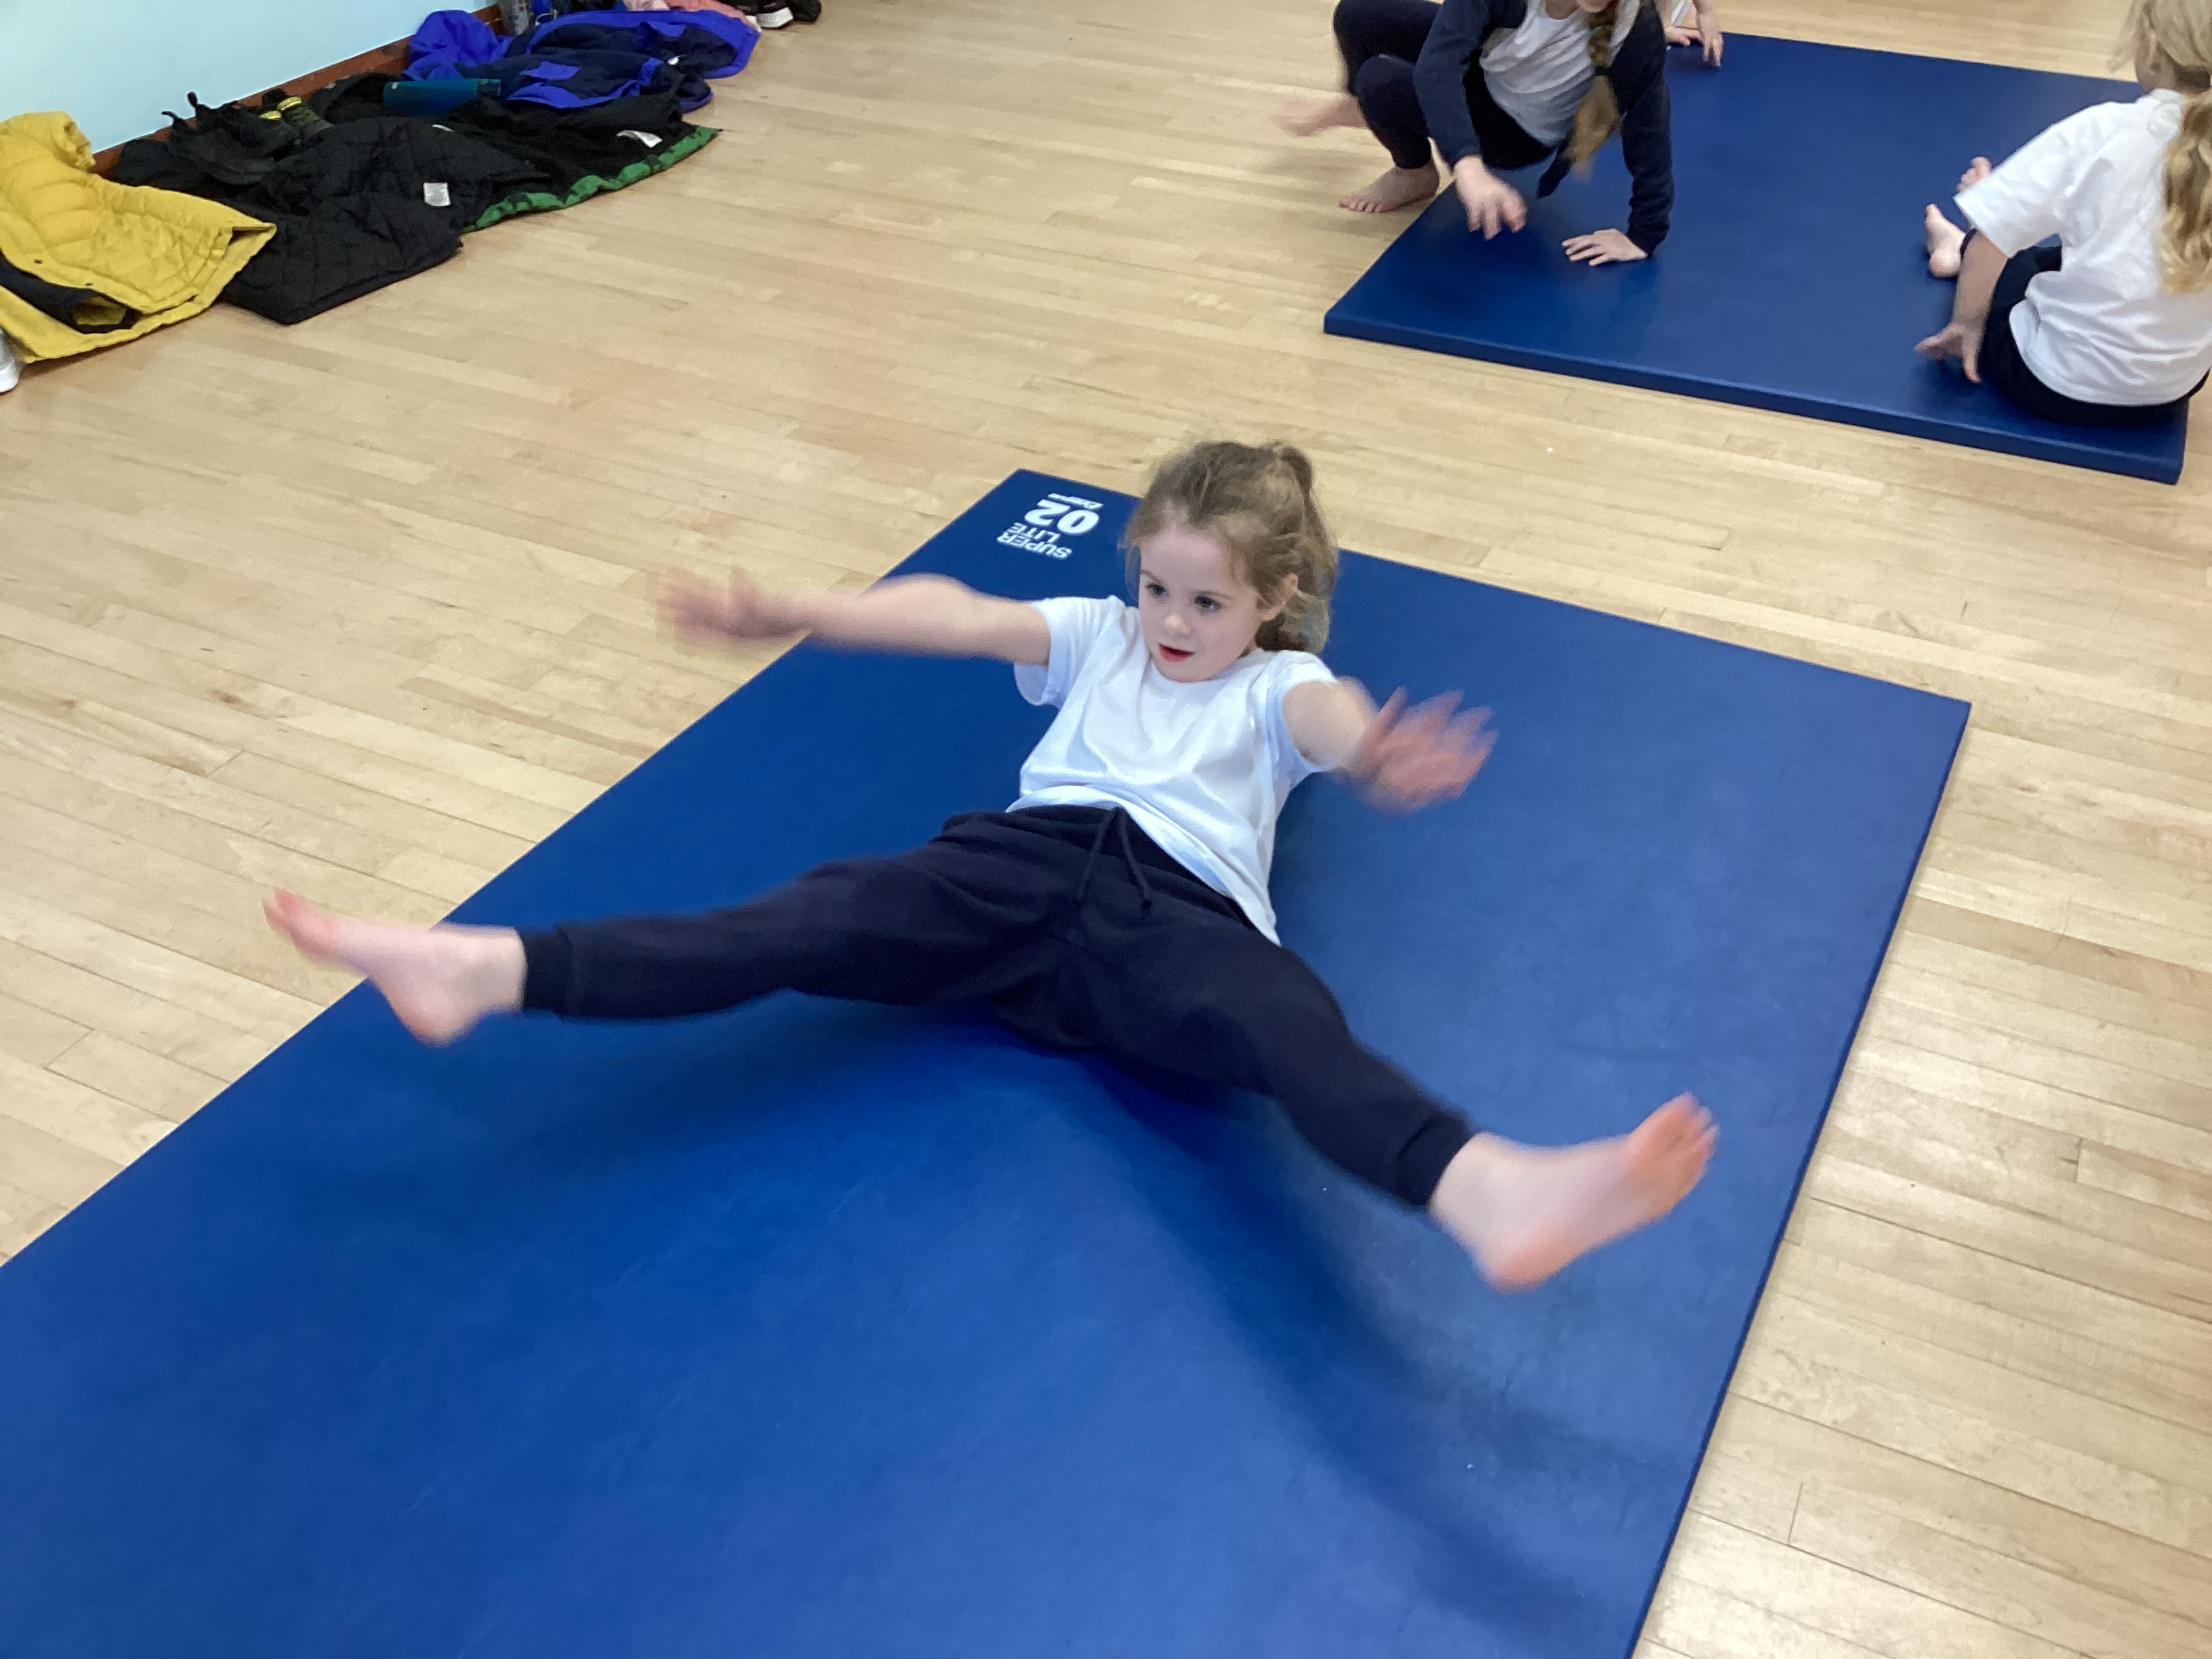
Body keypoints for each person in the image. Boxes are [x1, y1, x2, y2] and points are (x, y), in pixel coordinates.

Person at [266, 441, 1716, 1294]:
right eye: (1155, 586)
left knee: (1290, 1025)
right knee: (803, 919)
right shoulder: (1097, 634)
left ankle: (1485, 1189)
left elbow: (1334, 727)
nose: (1170, 622)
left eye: (1206, 603)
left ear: (1272, 601)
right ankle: (483, 968)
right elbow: (954, 614)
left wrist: (1378, 759)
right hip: (1010, 872)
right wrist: (795, 608)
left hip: (1172, 916)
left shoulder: (1280, 684)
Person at [1918, 0, 2212, 424]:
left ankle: (1959, 243)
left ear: (2150, 47)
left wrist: (1966, 326)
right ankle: (1979, 223)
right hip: (2171, 390)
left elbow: (1994, 241)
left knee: (2012, 258)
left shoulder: (2103, 131)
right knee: (2125, 248)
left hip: (2054, 385)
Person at [1281, 0, 1687, 267]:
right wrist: (1466, 165)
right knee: (1360, 13)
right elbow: (1439, 64)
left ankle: (1412, 170)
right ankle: (1366, 111)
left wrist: (1644, 235)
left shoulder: (1635, 28)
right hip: (1487, 71)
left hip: (1514, 135)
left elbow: (1649, 123)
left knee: (1380, 80)